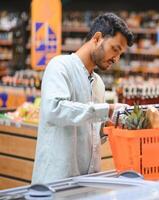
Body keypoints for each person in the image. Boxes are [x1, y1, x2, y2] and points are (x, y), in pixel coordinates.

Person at [32, 13, 134, 184]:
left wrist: (107, 128)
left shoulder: (99, 84)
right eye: (115, 49)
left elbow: (90, 131)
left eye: (120, 54)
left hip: (87, 183)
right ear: (97, 38)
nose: (116, 58)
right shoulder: (59, 66)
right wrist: (107, 109)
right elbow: (54, 110)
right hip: (55, 183)